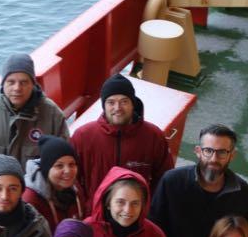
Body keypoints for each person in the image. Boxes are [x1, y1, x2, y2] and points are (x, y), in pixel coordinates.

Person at [150, 123, 248, 237]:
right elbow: (153, 228)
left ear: (232, 155)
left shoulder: (243, 192)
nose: (213, 159)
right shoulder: (172, 181)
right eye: (208, 151)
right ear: (198, 151)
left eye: (222, 152)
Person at [71, 73, 173, 208]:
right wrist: (86, 206)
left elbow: (164, 178)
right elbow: (73, 179)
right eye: (111, 102)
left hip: (135, 214)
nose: (117, 108)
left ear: (133, 104)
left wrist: (148, 208)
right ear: (104, 105)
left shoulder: (153, 136)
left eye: (124, 101)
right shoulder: (82, 136)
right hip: (95, 215)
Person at [0, 53, 69, 170]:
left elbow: (62, 160)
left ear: (33, 84)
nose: (17, 88)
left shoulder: (53, 115)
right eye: (11, 82)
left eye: (24, 82)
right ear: (3, 84)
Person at [23, 135, 86, 232]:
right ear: (46, 169)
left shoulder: (75, 189)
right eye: (59, 166)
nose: (67, 171)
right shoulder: (31, 199)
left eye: (72, 164)